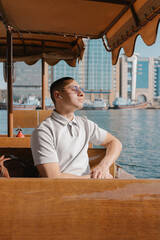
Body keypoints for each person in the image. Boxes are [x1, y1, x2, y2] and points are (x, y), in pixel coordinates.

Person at [31, 77, 122, 179]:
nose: (82, 93)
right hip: (60, 192)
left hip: (89, 187)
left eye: (81, 89)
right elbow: (53, 178)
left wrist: (103, 167)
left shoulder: (85, 124)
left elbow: (114, 142)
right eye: (75, 89)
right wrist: (95, 178)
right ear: (58, 95)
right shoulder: (44, 131)